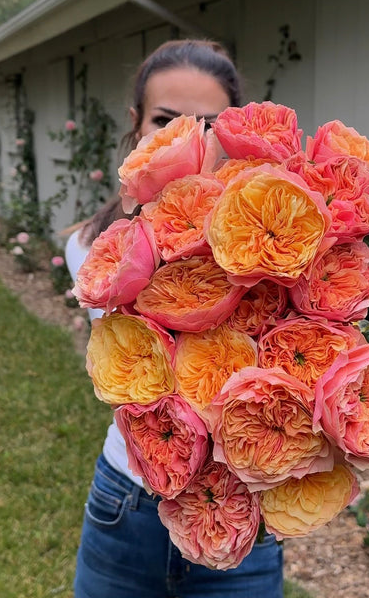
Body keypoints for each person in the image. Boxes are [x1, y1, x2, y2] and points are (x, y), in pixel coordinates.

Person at [65, 39, 284, 598]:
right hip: (128, 498)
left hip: (235, 508)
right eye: (166, 120)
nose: (186, 138)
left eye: (208, 124)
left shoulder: (269, 245)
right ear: (136, 124)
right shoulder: (91, 250)